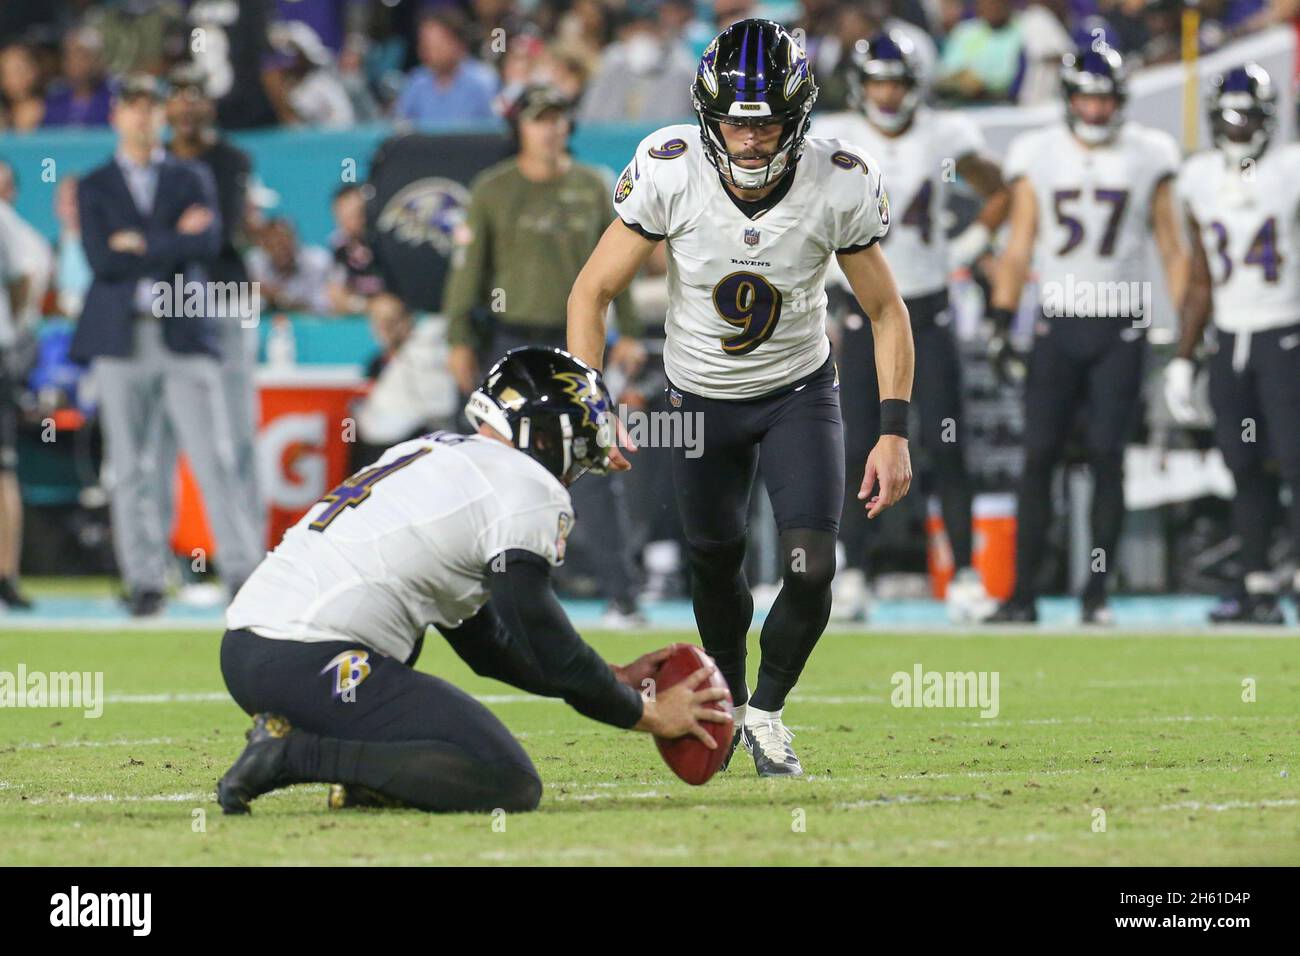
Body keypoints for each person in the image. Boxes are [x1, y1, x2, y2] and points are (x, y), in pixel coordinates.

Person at [567, 20, 915, 776]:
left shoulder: (840, 178)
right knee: (714, 563)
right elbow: (592, 289)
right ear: (706, 115)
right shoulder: (669, 168)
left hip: (797, 393)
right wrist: (590, 403)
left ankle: (768, 710)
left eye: (766, 125)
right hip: (697, 400)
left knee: (810, 565)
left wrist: (894, 431)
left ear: (797, 118)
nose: (750, 141)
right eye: (735, 122)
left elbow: (888, 310)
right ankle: (721, 703)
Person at [217, 347, 729, 814]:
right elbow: (540, 634)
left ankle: (362, 775)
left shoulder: (436, 454)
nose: (577, 469)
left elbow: (488, 647)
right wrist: (647, 712)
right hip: (314, 659)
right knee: (505, 780)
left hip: (251, 652)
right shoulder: (524, 483)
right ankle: (292, 754)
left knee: (424, 677)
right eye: (579, 447)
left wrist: (611, 675)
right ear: (547, 435)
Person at [982, 45, 1188, 625]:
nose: (1096, 109)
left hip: (1122, 323)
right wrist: (1002, 317)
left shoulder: (1151, 153)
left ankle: (1095, 594)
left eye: (1105, 97)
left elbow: (1172, 247)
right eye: (1087, 97)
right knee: (1038, 457)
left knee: (1107, 458)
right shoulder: (1037, 153)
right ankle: (1022, 593)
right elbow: (1019, 243)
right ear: (1070, 98)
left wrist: (1192, 333)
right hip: (1057, 320)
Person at [813, 31, 1009, 624]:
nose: (888, 93)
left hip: (926, 306)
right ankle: (854, 573)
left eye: (897, 82)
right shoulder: (836, 139)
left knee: (946, 445)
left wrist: (971, 243)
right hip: (859, 306)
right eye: (878, 81)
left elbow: (997, 191)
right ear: (861, 85)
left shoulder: (946, 136)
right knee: (854, 446)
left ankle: (967, 574)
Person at [444, 84, 648, 628]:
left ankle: (621, 593)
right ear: (520, 126)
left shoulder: (592, 184)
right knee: (490, 466)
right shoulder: (492, 189)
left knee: (597, 455)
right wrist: (459, 338)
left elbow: (615, 265)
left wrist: (627, 327)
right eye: (539, 119)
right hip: (510, 343)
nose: (550, 128)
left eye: (558, 118)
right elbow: (468, 273)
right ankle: (472, 590)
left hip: (575, 340)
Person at [72, 75, 263, 616]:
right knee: (131, 465)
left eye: (148, 107)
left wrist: (137, 243)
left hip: (182, 330)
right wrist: (169, 242)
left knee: (215, 457)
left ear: (159, 116)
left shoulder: (192, 173)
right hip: (121, 336)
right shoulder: (95, 184)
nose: (141, 117)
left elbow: (206, 241)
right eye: (131, 107)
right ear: (116, 117)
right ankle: (145, 579)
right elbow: (102, 261)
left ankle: (242, 572)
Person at [1165, 64, 1300, 624]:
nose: (1238, 126)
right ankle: (1256, 584)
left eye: (1248, 116)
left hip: (1286, 330)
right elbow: (1200, 276)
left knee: (1295, 461)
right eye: (1229, 116)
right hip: (1230, 338)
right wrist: (1182, 356)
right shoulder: (1197, 177)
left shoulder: (1291, 169)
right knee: (1242, 465)